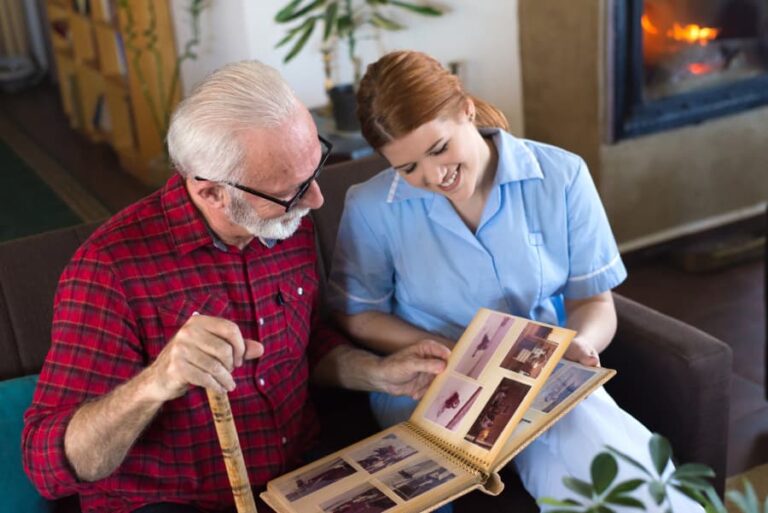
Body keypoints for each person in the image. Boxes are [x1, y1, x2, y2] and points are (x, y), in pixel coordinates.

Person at [22, 60, 451, 513]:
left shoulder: (288, 221)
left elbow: (301, 347)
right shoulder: (109, 271)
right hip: (176, 502)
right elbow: (47, 465)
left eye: (314, 170)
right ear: (211, 193)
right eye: (292, 190)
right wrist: (157, 381)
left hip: (296, 479)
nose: (316, 200)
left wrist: (378, 373)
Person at [327, 50, 703, 511]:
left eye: (438, 149)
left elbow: (594, 300)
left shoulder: (561, 177)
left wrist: (582, 346)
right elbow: (358, 315)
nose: (432, 176)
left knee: (604, 456)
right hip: (435, 387)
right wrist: (447, 349)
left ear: (466, 110)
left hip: (542, 375)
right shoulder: (370, 207)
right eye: (408, 169)